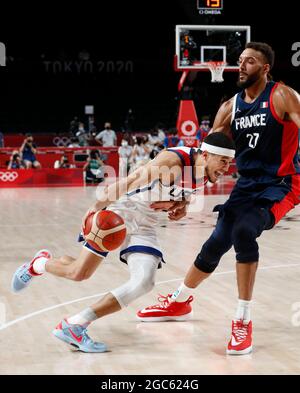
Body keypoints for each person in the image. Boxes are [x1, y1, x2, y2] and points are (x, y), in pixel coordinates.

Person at [137, 42, 300, 356]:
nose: (241, 66)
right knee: (216, 241)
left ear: (265, 68)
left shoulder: (282, 96)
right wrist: (184, 198)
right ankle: (180, 301)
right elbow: (207, 161)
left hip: (281, 185)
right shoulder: (230, 107)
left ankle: (242, 320)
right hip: (246, 186)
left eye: (250, 62)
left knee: (243, 231)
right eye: (240, 61)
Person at [11, 133, 235, 353]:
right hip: (120, 213)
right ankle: (38, 264)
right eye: (223, 161)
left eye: (229, 162)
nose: (226, 168)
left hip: (146, 222)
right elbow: (127, 182)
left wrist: (182, 205)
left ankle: (75, 324)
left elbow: (186, 190)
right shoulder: (171, 162)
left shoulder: (206, 171)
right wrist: (95, 209)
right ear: (205, 155)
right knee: (79, 273)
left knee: (144, 281)